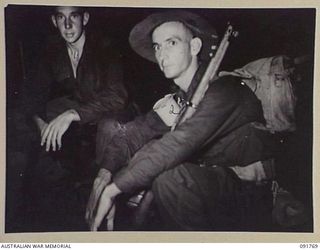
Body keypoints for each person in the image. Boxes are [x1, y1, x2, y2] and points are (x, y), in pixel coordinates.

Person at [87, 10, 275, 231]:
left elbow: (180, 142)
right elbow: (132, 134)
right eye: (157, 46)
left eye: (172, 43)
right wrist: (104, 175)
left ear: (194, 47)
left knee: (169, 178)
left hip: (250, 195)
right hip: (211, 186)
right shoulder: (180, 100)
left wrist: (114, 189)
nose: (162, 54)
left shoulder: (224, 90)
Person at [23, 6, 130, 230]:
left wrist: (73, 114)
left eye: (74, 17)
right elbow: (33, 95)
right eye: (61, 18)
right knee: (28, 132)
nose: (68, 25)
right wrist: (41, 123)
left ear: (85, 18)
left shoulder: (106, 47)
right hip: (77, 120)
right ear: (54, 21)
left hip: (108, 114)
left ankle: (103, 201)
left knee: (108, 129)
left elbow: (117, 96)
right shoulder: (51, 49)